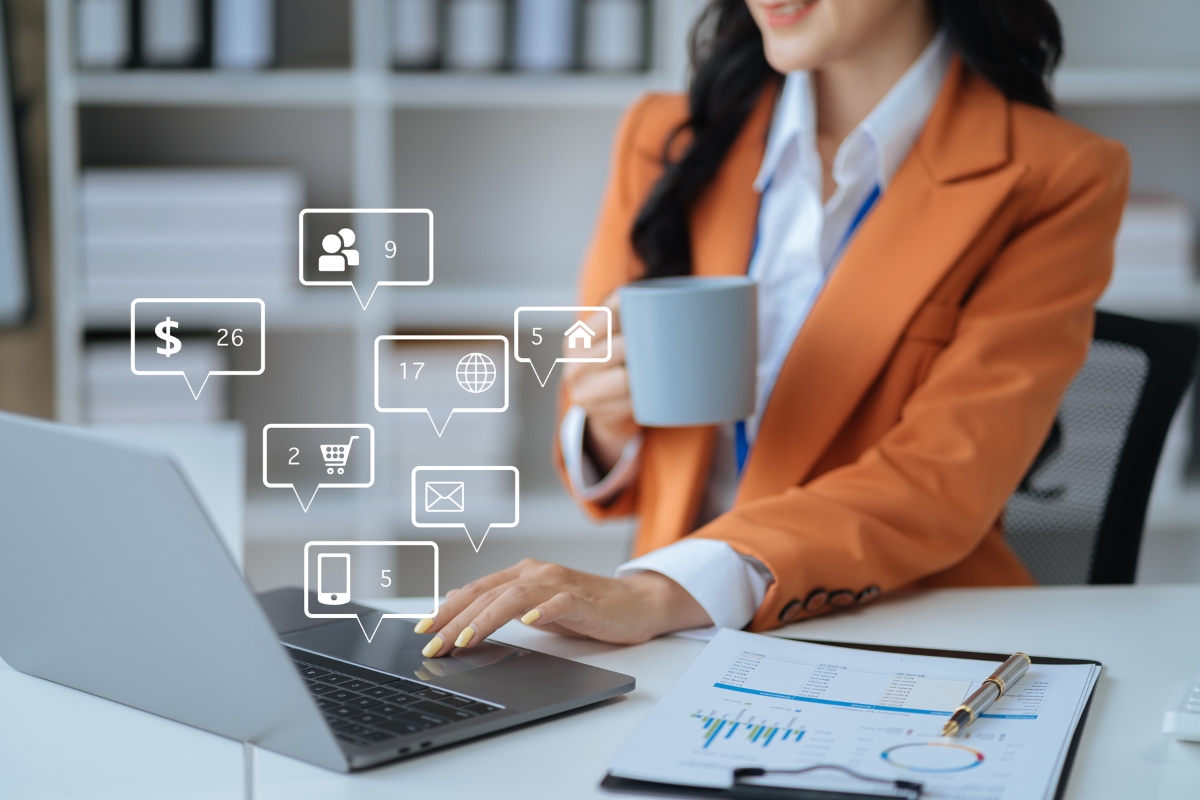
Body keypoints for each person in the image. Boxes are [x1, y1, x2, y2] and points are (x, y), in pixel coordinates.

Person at [415, 0, 1129, 657]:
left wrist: (663, 590)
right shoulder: (665, 136)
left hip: (909, 630)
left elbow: (943, 476)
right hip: (680, 636)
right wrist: (607, 420)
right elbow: (599, 450)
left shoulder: (1057, 176)